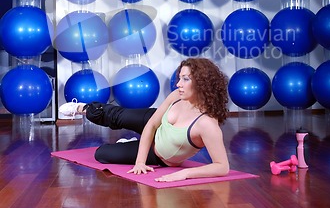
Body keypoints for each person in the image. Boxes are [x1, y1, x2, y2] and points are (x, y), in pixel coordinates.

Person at [59, 57, 230, 182]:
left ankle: (131, 143)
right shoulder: (176, 96)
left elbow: (222, 166)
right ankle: (82, 108)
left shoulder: (207, 124)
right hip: (155, 123)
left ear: (202, 83)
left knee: (102, 154)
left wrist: (184, 173)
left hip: (158, 155)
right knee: (118, 115)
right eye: (180, 78)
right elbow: (152, 124)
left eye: (185, 79)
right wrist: (139, 161)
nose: (178, 84)